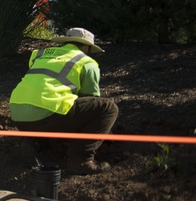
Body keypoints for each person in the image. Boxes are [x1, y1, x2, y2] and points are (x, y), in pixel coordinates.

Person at [9, 27, 118, 175]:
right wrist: (104, 130)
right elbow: (89, 99)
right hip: (47, 114)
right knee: (108, 108)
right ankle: (81, 160)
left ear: (65, 41)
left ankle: (31, 142)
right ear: (86, 46)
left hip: (17, 112)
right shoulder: (87, 62)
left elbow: (40, 85)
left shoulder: (39, 54)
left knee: (45, 108)